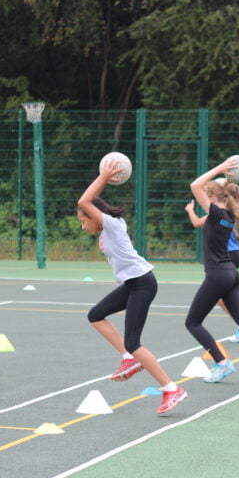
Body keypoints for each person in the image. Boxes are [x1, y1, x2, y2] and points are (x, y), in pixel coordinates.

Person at [77, 159, 187, 414]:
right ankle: (128, 358)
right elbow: (86, 207)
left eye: (84, 221)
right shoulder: (108, 231)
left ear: (94, 215)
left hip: (142, 284)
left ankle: (172, 388)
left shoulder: (112, 225)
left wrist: (103, 176)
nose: (83, 226)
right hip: (133, 283)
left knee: (134, 341)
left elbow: (85, 202)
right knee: (95, 315)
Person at [185, 158, 239, 383]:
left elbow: (195, 185)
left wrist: (221, 168)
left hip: (217, 274)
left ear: (213, 198)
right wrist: (226, 178)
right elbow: (210, 191)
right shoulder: (230, 214)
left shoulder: (215, 213)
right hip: (231, 274)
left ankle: (222, 363)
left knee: (192, 322)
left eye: (207, 195)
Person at [184, 193, 239, 343]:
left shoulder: (216, 215)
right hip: (232, 254)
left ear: (214, 197)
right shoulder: (225, 213)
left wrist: (190, 209)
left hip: (226, 257)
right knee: (221, 298)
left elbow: (196, 223)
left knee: (221, 298)